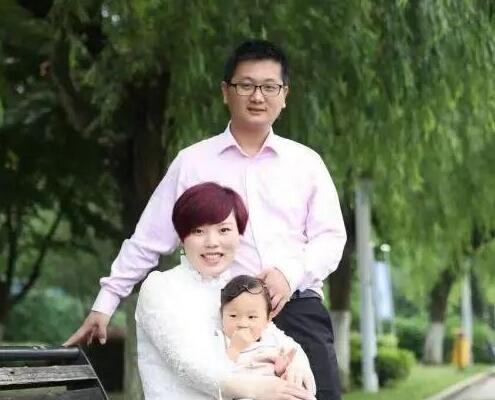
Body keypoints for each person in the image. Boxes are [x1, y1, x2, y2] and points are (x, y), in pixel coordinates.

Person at [65, 39, 346, 400]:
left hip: (296, 307)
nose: (257, 96)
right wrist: (106, 302)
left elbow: (330, 238)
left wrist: (288, 275)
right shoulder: (193, 162)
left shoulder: (306, 163)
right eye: (245, 85)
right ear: (225, 92)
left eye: (269, 87)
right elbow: (148, 238)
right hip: (222, 317)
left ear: (284, 95)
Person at [136, 182, 315, 399]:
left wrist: (296, 364)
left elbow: (276, 337)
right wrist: (259, 389)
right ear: (182, 238)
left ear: (239, 234)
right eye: (198, 231)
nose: (212, 242)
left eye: (224, 230)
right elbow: (189, 365)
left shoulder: (235, 287)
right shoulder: (161, 287)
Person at [220, 274, 313, 387]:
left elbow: (298, 360)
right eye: (233, 316)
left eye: (251, 317)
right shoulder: (219, 341)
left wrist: (283, 370)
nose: (242, 324)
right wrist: (234, 349)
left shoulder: (275, 339)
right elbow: (214, 378)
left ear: (268, 319)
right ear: (221, 315)